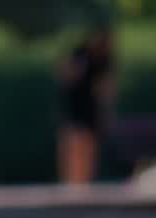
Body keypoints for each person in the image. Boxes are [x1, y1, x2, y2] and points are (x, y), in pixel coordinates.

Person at [57, 24, 115, 184]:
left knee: (88, 149)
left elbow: (105, 90)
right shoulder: (78, 53)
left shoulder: (104, 59)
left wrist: (106, 110)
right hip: (75, 109)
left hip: (91, 111)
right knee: (73, 147)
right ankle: (71, 184)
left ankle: (83, 185)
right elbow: (65, 77)